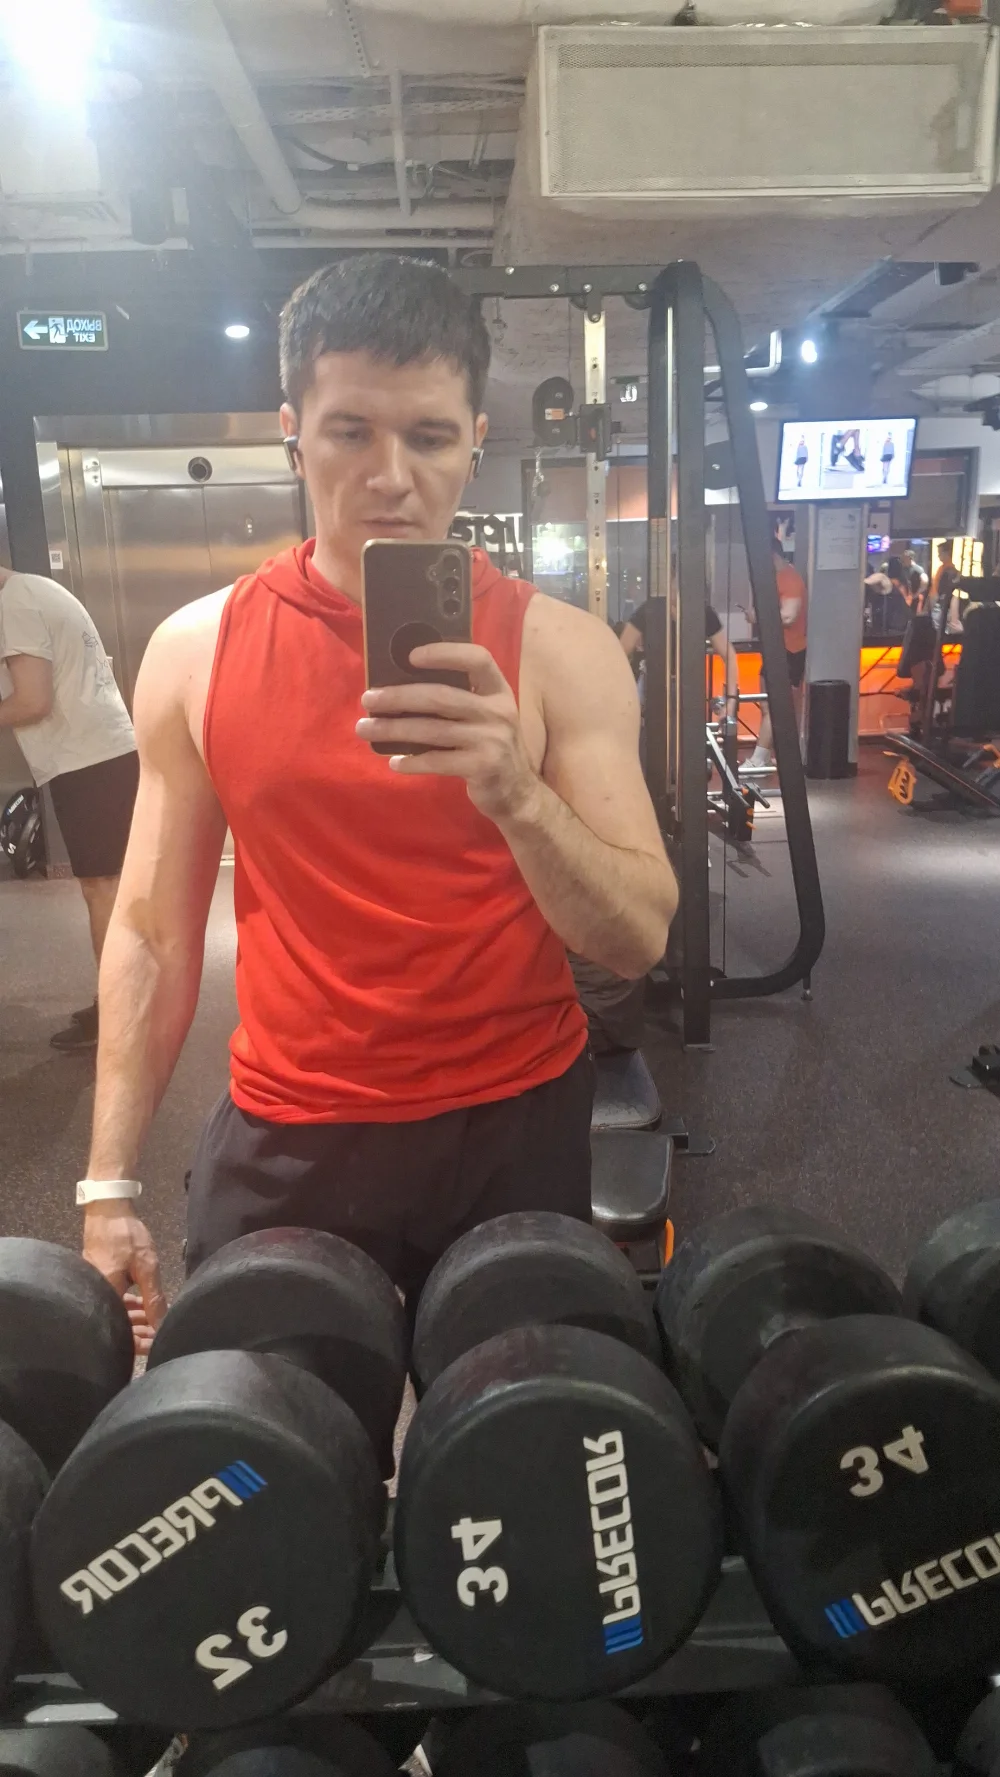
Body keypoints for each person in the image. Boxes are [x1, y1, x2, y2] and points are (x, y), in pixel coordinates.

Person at [79, 255, 677, 1348]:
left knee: (516, 1429)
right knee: (267, 1439)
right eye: (350, 431)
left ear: (475, 442)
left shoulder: (563, 651)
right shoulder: (195, 650)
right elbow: (153, 933)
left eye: (429, 436)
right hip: (293, 1130)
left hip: (511, 1124)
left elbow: (635, 937)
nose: (390, 476)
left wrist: (515, 794)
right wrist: (107, 1186)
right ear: (293, 433)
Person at [0, 564, 138, 1051]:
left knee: (103, 891)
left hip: (87, 762)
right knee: (111, 890)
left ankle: (119, 1015)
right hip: (101, 754)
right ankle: (125, 1003)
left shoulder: (14, 604)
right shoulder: (37, 588)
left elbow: (32, 701)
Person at [619, 598, 740, 718]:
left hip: (690, 690)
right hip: (653, 688)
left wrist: (731, 700)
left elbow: (729, 655)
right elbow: (621, 652)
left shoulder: (702, 611)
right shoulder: (649, 608)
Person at [747, 545, 809, 771]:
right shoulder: (776, 578)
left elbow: (789, 615)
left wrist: (758, 616)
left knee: (774, 706)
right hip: (776, 649)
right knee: (767, 706)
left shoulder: (790, 579)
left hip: (789, 651)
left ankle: (759, 759)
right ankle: (765, 757)